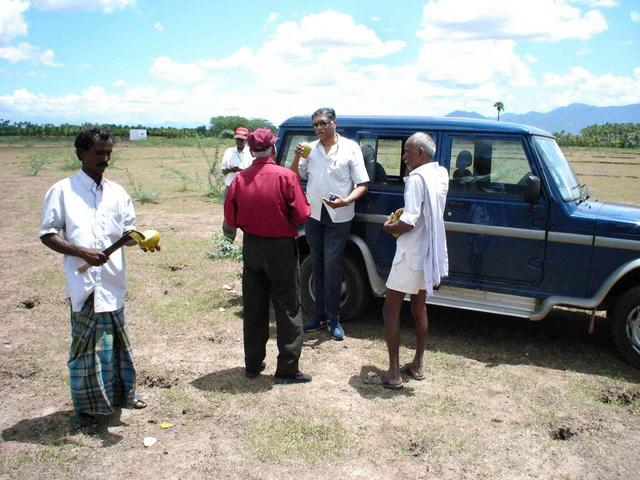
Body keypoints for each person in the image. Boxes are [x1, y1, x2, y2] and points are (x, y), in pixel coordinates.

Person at [39, 128, 159, 427]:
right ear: (80, 153)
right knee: (86, 351)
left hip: (112, 281)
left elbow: (128, 233)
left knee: (117, 343)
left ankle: (123, 396)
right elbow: (48, 234)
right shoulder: (62, 191)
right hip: (84, 285)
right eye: (98, 153)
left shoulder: (117, 192)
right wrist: (81, 251)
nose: (104, 159)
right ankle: (87, 411)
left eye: (108, 153)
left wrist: (142, 240)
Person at [224, 128, 312, 383]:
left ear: (251, 151)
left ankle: (252, 364)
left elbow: (230, 218)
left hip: (252, 246)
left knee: (254, 305)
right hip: (281, 248)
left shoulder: (240, 179)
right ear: (273, 149)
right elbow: (302, 214)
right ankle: (287, 368)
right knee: (287, 306)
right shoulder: (286, 177)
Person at [371, 132, 449, 389]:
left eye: (407, 151)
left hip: (410, 254)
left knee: (390, 309)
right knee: (419, 307)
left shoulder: (417, 179)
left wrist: (388, 227)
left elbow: (409, 219)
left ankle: (394, 374)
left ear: (421, 153)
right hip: (427, 251)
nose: (404, 156)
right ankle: (417, 364)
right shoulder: (439, 174)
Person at [289, 108, 369, 340]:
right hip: (314, 216)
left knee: (332, 266)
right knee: (316, 265)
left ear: (334, 123)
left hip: (339, 217)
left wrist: (346, 201)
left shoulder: (350, 148)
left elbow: (362, 184)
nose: (319, 128)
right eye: (315, 125)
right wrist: (296, 157)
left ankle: (334, 320)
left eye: (323, 123)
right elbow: (294, 176)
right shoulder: (310, 149)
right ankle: (318, 316)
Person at [220, 126, 254, 241]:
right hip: (230, 188)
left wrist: (240, 170)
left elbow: (254, 172)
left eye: (242, 139)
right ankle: (227, 242)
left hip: (246, 189)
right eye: (237, 139)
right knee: (229, 215)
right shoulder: (229, 151)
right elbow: (223, 171)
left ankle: (249, 242)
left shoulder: (251, 153)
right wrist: (229, 170)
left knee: (247, 215)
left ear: (246, 139)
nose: (239, 141)